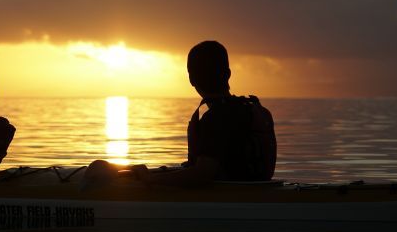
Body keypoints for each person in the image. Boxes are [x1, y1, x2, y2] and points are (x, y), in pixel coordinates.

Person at [91, 40, 276, 187]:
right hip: (258, 190)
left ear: (191, 79)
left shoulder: (215, 119)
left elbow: (201, 175)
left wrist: (150, 179)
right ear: (228, 74)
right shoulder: (259, 111)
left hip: (231, 199)